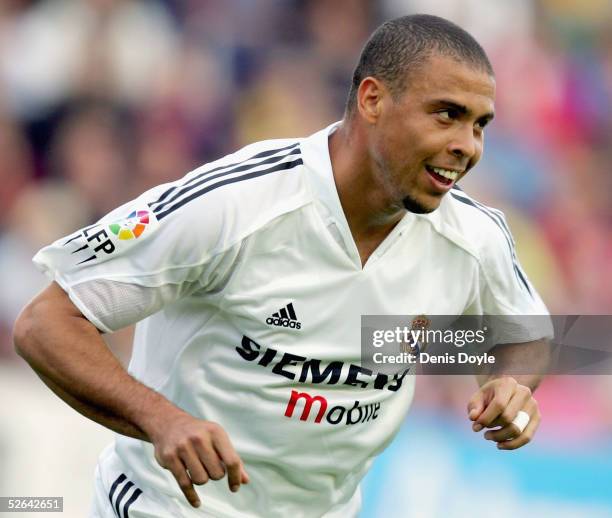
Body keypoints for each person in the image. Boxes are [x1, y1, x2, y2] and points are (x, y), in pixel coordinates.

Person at [14, 14, 551, 518]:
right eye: (447, 115)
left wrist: (510, 383)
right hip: (168, 507)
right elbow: (46, 324)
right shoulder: (239, 203)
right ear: (372, 100)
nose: (467, 146)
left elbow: (526, 336)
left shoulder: (474, 237)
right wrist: (160, 419)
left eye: (480, 125)